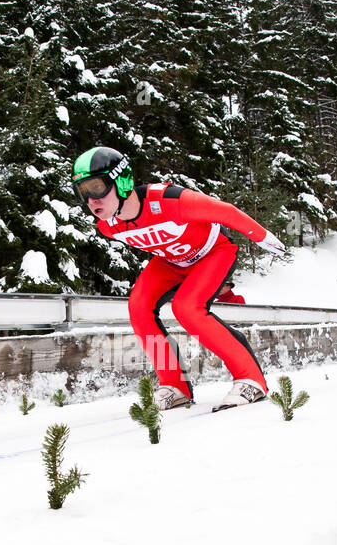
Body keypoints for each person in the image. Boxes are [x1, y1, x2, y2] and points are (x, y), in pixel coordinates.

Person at [72, 146, 283, 410]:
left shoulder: (169, 200)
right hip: (173, 260)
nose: (92, 200)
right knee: (138, 308)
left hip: (213, 252)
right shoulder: (107, 225)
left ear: (121, 181)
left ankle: (251, 379)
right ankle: (174, 385)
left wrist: (262, 236)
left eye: (96, 187)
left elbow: (225, 211)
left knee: (187, 308)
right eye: (83, 191)